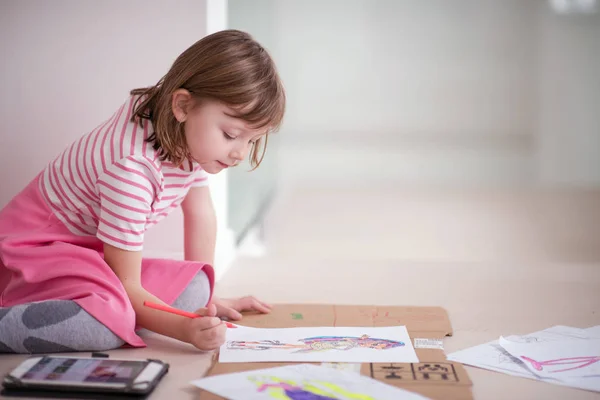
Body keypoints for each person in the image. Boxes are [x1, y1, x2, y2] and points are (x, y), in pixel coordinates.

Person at [0, 30, 285, 354]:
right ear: (182, 105)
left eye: (251, 140)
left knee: (195, 286)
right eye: (231, 134)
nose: (240, 154)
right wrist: (184, 328)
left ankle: (112, 309)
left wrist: (207, 301)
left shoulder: (180, 130)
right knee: (107, 326)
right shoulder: (132, 169)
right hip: (36, 251)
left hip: (93, 253)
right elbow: (127, 284)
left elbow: (200, 213)